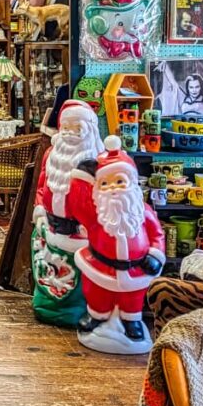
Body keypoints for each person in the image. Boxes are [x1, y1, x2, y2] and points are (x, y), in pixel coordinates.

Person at [74, 137, 165, 354]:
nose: (113, 189)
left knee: (132, 297)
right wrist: (80, 177)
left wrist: (155, 254)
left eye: (119, 181)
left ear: (131, 182)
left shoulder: (142, 212)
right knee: (96, 291)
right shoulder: (98, 213)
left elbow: (157, 234)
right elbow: (78, 206)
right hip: (100, 264)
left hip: (135, 266)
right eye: (105, 183)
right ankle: (97, 315)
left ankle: (131, 319)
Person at [30, 100, 104, 327]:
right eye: (66, 127)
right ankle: (47, 307)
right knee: (48, 270)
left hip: (81, 232)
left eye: (77, 127)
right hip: (51, 227)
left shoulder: (97, 159)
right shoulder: (52, 154)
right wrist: (40, 209)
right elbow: (43, 184)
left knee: (83, 278)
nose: (71, 133)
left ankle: (85, 312)